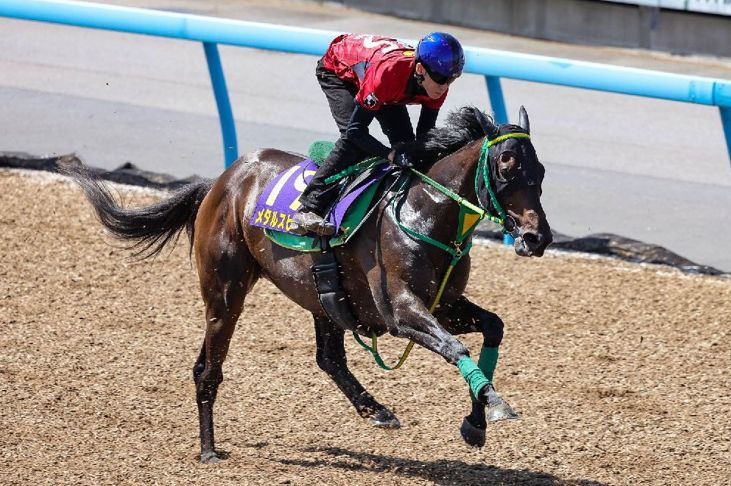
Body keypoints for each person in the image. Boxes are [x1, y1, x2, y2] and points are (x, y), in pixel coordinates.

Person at [289, 32, 465, 236]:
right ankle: (308, 208)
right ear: (420, 69)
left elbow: (425, 136)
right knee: (353, 144)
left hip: (383, 80)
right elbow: (355, 132)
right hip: (339, 72)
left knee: (407, 147)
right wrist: (389, 155)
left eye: (452, 80)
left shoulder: (435, 82)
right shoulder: (388, 75)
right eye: (441, 79)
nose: (444, 86)